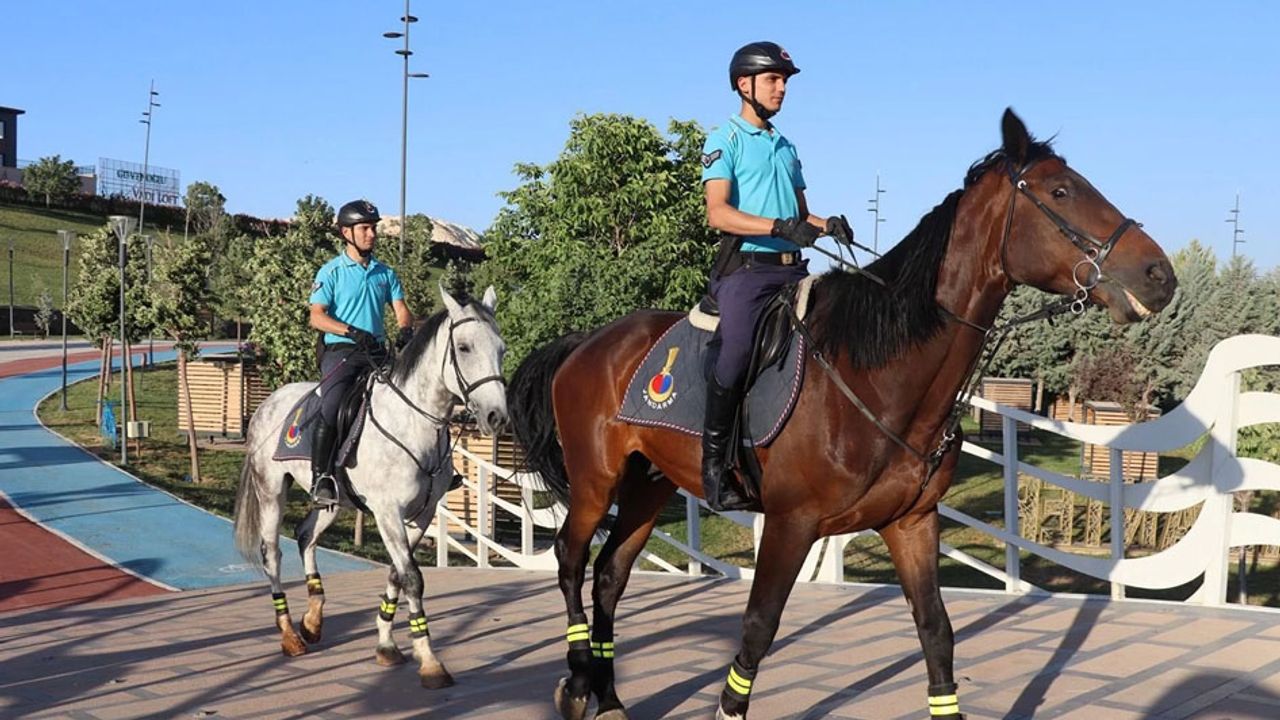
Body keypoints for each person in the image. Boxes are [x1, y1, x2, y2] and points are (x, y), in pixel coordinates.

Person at [699, 41, 855, 511]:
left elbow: (801, 216)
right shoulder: (723, 140)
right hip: (748, 272)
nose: (782, 88)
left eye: (784, 80)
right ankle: (713, 468)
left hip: (795, 272)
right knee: (739, 348)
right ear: (744, 85)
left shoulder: (786, 147)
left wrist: (827, 225)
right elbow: (718, 213)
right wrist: (776, 227)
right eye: (773, 79)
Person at [307, 199, 415, 506]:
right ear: (346, 232)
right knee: (331, 405)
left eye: (373, 228)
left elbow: (401, 310)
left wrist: (406, 329)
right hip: (342, 351)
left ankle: (433, 468)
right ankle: (322, 477)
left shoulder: (385, 273)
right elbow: (317, 316)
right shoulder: (331, 272)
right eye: (365, 228)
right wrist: (350, 330)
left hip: (378, 352)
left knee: (414, 396)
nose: (372, 234)